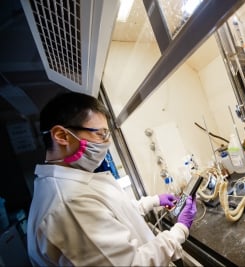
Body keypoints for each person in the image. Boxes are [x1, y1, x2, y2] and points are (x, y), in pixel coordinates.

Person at [27, 92, 197, 266]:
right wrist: (180, 230)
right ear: (62, 136)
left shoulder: (72, 184)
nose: (106, 143)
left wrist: (153, 201)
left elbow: (111, 216)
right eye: (101, 134)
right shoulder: (68, 205)